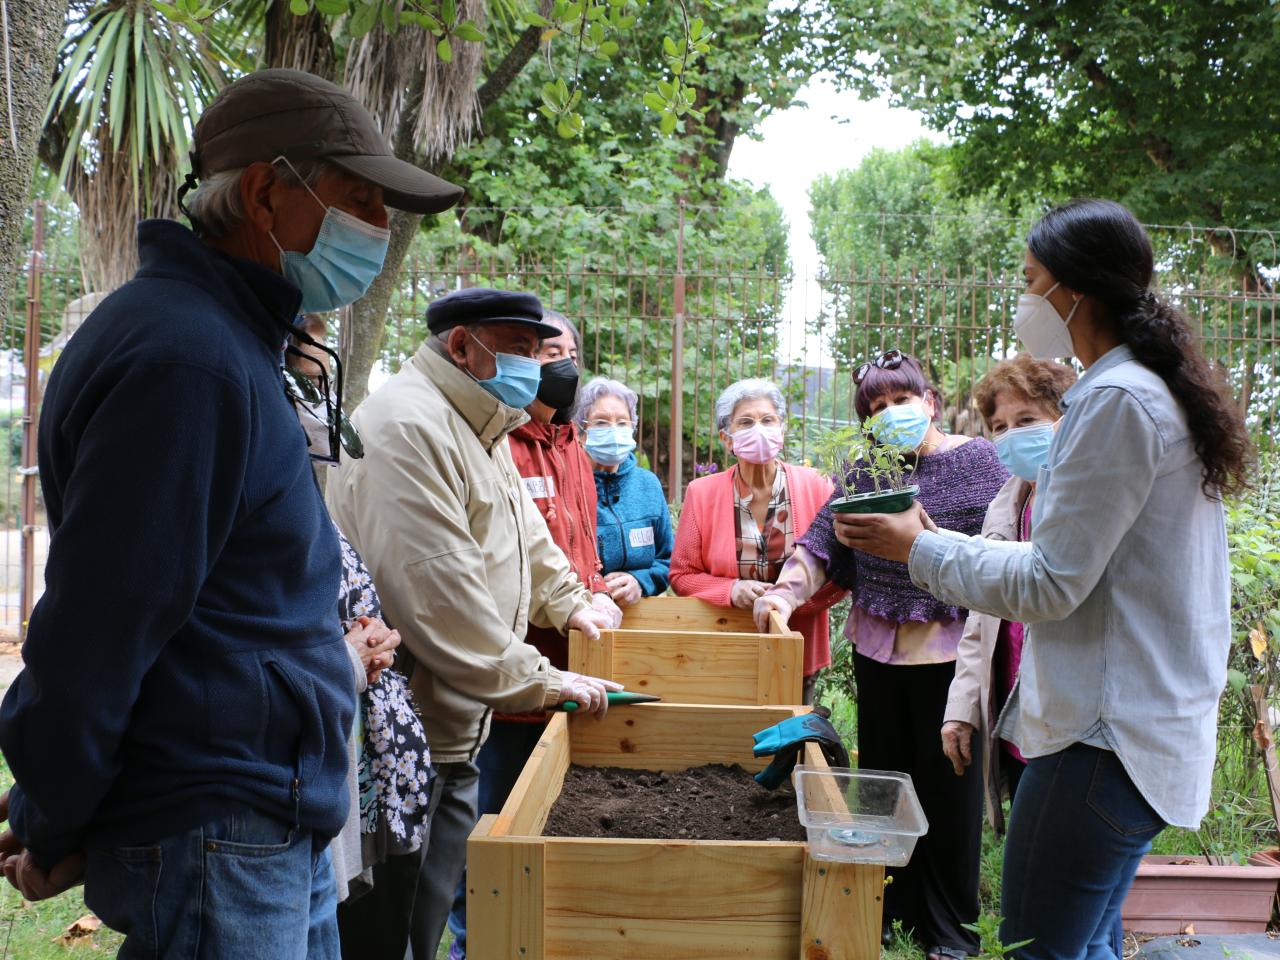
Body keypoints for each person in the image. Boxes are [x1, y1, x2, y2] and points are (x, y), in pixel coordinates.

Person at [0, 68, 463, 956]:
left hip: (257, 826)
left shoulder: (223, 342)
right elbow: (101, 628)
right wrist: (53, 812)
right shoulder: (190, 362)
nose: (378, 227)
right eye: (357, 199)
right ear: (264, 192)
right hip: (221, 833)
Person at [833, 199, 1250, 960]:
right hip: (1130, 733)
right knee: (1082, 946)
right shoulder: (1142, 389)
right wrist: (926, 537)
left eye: (1030, 282)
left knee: (1039, 949)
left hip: (1103, 738)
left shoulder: (1115, 400)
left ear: (1075, 291)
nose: (1023, 300)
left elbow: (1052, 582)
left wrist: (916, 552)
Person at [325, 286, 621, 959]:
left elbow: (524, 533)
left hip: (449, 728)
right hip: (405, 738)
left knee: (421, 917)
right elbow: (439, 598)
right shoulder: (410, 427)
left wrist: (570, 600)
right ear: (462, 346)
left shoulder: (477, 420)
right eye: (518, 351)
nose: (535, 369)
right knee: (392, 923)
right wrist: (541, 680)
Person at [756, 352, 1008, 958]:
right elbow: (818, 543)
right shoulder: (867, 468)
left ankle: (951, 931)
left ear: (931, 401)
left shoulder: (981, 462)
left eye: (900, 400)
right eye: (875, 408)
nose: (890, 414)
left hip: (952, 658)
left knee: (950, 794)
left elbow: (1002, 555)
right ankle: (889, 910)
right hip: (878, 654)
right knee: (883, 790)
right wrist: (783, 597)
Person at [443, 308, 621, 960]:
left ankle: (534, 936)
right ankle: (474, 942)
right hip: (511, 674)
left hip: (572, 668)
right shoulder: (502, 442)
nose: (561, 365)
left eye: (569, 351)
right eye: (546, 352)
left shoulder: (572, 444)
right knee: (491, 820)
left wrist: (595, 594)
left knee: (547, 812)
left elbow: (573, 551)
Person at [941, 355, 1076, 832]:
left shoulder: (1084, 498)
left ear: (1067, 419)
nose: (1012, 435)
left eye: (1027, 420)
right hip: (1016, 720)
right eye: (999, 426)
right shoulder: (1010, 500)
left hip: (1069, 724)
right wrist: (961, 710)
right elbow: (983, 617)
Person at [670, 378, 844, 703]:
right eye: (746, 422)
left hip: (797, 644)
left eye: (768, 420)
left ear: (782, 428)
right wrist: (730, 591)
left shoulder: (817, 486)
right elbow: (682, 575)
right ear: (727, 438)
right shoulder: (702, 493)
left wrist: (790, 602)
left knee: (790, 743)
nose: (759, 429)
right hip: (726, 648)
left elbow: (841, 572)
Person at [577, 376, 674, 603]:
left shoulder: (648, 485)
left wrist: (640, 582)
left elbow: (669, 560)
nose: (613, 430)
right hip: (582, 617)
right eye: (601, 422)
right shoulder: (569, 485)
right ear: (580, 432)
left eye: (622, 422)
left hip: (641, 619)